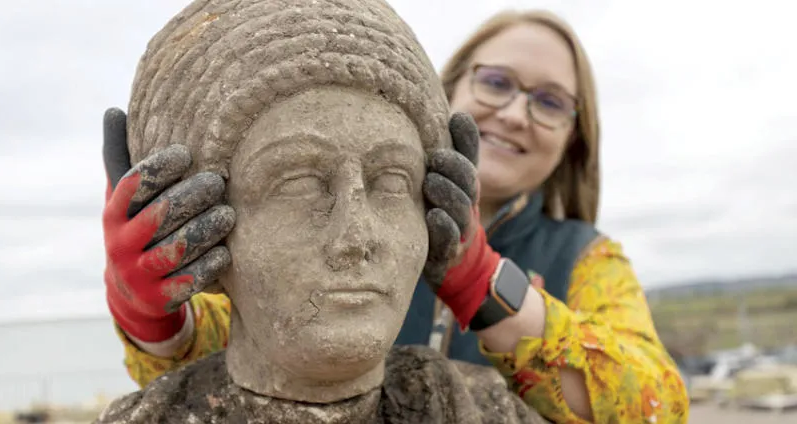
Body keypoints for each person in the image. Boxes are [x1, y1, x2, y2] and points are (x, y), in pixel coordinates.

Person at [100, 7, 688, 424]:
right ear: (452, 87)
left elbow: (655, 408)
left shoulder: (585, 258)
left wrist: (484, 284)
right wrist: (151, 314)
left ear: (573, 137)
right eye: (496, 82)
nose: (515, 113)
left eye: (550, 102)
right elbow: (221, 361)